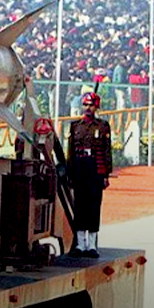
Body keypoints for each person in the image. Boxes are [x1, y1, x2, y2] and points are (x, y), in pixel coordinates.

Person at [67, 92, 112, 258]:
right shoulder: (75, 126)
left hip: (95, 169)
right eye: (85, 105)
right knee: (80, 206)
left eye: (91, 105)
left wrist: (106, 174)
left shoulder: (102, 126)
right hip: (80, 168)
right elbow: (70, 152)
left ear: (96, 107)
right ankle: (80, 244)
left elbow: (106, 151)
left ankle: (92, 245)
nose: (88, 108)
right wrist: (70, 172)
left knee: (93, 206)